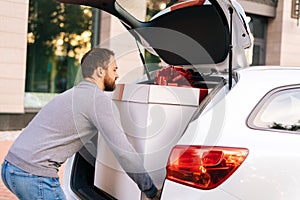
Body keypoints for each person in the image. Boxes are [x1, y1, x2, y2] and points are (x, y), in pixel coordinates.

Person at [1, 48, 161, 200]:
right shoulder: (97, 100)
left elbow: (83, 145)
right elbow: (123, 151)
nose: (117, 75)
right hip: (34, 175)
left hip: (11, 168)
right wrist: (151, 191)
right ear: (100, 71)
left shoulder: (72, 94)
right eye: (114, 69)